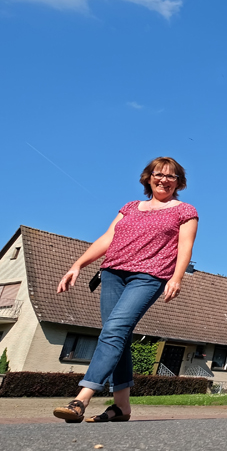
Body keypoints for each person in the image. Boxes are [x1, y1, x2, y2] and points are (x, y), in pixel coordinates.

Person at [53, 157, 198, 423]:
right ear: (148, 177)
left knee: (114, 329)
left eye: (171, 176)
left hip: (149, 276)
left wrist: (177, 277)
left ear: (179, 182)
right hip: (112, 274)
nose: (164, 180)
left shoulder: (184, 211)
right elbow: (108, 238)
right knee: (118, 335)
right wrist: (78, 265)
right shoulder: (130, 207)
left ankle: (81, 399)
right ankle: (122, 407)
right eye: (158, 174)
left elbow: (185, 247)